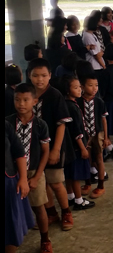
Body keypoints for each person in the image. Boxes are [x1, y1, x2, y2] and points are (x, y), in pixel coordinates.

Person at [6, 83, 53, 253]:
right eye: (17, 100)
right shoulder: (8, 122)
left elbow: (45, 152)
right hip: (12, 173)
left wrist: (37, 176)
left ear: (35, 101)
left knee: (39, 206)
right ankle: (11, 248)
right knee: (11, 210)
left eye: (26, 100)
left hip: (33, 172)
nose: (21, 104)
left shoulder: (41, 125)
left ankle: (45, 240)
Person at [27, 58, 74, 231]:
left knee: (55, 182)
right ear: (29, 75)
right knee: (42, 182)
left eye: (44, 75)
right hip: (34, 149)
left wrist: (55, 150)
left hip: (54, 145)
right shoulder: (28, 95)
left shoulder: (55, 95)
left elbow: (61, 124)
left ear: (50, 76)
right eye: (35, 75)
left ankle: (66, 212)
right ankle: (51, 212)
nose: (40, 79)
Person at [57, 75, 95, 212]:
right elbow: (76, 131)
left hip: (69, 148)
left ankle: (71, 196)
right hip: (76, 148)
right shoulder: (72, 107)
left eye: (80, 87)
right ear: (67, 90)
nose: (80, 90)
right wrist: (83, 148)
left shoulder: (67, 104)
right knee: (76, 176)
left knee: (69, 174)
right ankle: (79, 200)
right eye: (76, 87)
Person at [5, 119, 35, 253]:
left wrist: (23, 178)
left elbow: (19, 153)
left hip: (8, 183)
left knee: (10, 222)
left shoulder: (6, 126)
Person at [76, 74, 109, 198]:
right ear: (83, 87)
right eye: (90, 85)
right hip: (84, 135)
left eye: (96, 85)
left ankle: (100, 186)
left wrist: (106, 137)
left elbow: (104, 119)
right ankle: (88, 183)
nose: (94, 88)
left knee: (99, 159)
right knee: (87, 159)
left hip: (98, 134)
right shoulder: (78, 102)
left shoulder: (99, 101)